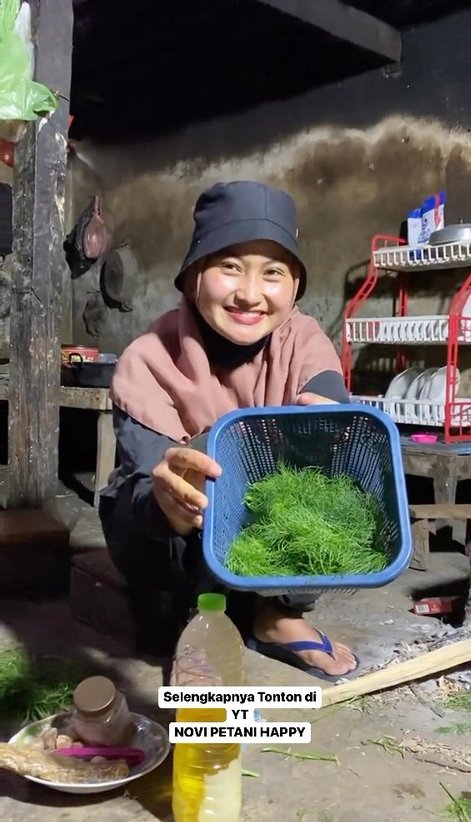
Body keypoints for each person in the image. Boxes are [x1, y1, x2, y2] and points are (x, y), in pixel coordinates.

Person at [99, 181, 358, 681]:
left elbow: (326, 393)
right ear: (194, 273)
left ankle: (276, 614)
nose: (250, 294)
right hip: (180, 534)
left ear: (296, 285)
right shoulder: (149, 359)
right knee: (148, 506)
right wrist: (168, 500)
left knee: (324, 497)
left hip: (267, 523)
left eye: (274, 273)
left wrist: (328, 422)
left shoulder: (302, 338)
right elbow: (148, 477)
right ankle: (198, 618)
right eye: (230, 266)